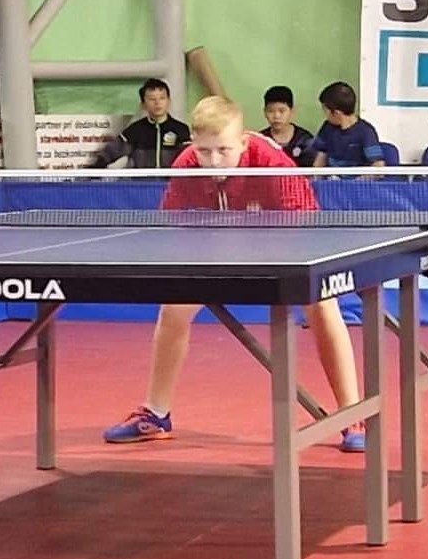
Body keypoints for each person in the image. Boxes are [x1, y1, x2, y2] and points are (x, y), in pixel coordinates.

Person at [102, 96, 365, 453]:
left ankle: (353, 416)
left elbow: (305, 228)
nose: (213, 161)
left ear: (243, 141)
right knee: (173, 308)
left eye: (224, 150)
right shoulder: (186, 166)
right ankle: (156, 413)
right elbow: (170, 226)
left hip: (283, 245)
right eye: (204, 151)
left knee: (322, 304)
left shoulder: (273, 164)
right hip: (214, 247)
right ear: (192, 144)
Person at [89, 78, 192, 169]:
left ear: (169, 101)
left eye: (162, 98)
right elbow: (110, 152)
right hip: (143, 183)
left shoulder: (181, 129)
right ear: (143, 104)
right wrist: (90, 173)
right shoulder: (135, 130)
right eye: (152, 99)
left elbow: (190, 159)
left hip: (172, 183)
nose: (157, 103)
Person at [310, 81, 386, 169]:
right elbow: (320, 159)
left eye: (325, 111)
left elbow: (378, 165)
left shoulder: (366, 132)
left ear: (337, 113)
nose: (324, 115)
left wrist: (360, 178)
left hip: (356, 178)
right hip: (330, 177)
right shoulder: (327, 127)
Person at [262, 85, 316, 165]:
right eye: (271, 111)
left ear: (292, 111)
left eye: (282, 111)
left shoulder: (305, 140)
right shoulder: (261, 140)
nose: (276, 116)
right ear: (264, 112)